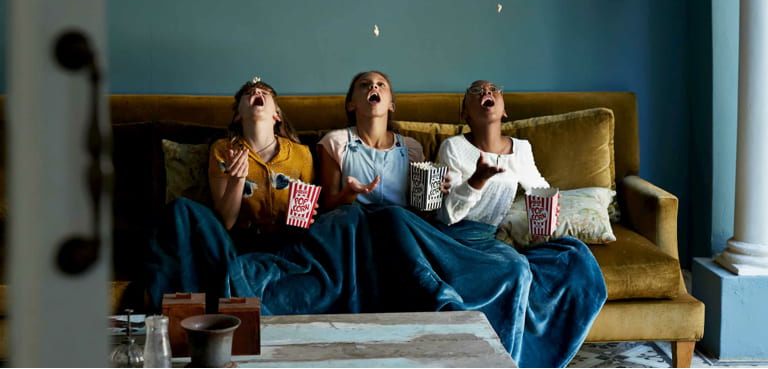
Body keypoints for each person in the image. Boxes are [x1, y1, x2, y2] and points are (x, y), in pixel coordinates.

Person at [432, 80, 608, 367]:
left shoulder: (522, 150)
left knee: (574, 256)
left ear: (504, 110)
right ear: (465, 114)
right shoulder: (453, 147)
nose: (486, 93)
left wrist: (543, 228)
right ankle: (501, 361)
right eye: (476, 92)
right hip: (453, 239)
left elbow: (541, 190)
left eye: (492, 90)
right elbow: (448, 215)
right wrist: (478, 179)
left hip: (489, 239)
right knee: (515, 270)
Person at [145, 77, 315, 312]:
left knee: (344, 221)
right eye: (249, 93)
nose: (257, 91)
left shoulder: (301, 154)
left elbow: (303, 222)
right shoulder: (223, 150)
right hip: (234, 243)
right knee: (181, 208)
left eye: (265, 92)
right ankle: (175, 315)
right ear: (238, 115)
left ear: (277, 114)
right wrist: (236, 181)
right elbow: (225, 221)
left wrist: (304, 217)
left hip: (284, 245)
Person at [317, 70, 428, 210]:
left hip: (397, 223)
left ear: (391, 105)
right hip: (353, 222)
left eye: (381, 84)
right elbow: (327, 206)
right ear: (351, 104)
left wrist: (437, 193)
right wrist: (350, 192)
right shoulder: (335, 142)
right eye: (364, 85)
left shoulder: (411, 148)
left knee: (394, 213)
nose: (373, 87)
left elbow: (420, 208)